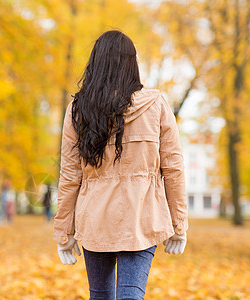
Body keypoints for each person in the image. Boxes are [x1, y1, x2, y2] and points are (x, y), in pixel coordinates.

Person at [53, 30, 188, 299]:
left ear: (95, 63)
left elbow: (70, 175)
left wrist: (63, 232)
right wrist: (179, 225)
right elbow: (174, 168)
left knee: (100, 295)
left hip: (95, 218)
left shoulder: (78, 110)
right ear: (132, 63)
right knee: (131, 295)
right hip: (142, 215)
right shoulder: (156, 104)